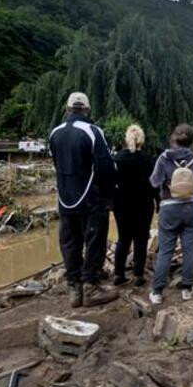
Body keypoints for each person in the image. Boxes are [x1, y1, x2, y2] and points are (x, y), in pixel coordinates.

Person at [49, 92, 119, 308]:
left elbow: (57, 165)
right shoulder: (92, 131)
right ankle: (91, 286)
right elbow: (106, 167)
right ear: (87, 110)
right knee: (94, 240)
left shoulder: (55, 133)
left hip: (66, 198)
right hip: (91, 199)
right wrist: (108, 195)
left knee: (69, 242)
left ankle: (74, 288)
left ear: (67, 109)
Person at [148, 124, 193, 304]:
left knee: (166, 250)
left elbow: (154, 182)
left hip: (169, 208)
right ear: (191, 141)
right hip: (192, 208)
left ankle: (158, 292)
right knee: (190, 249)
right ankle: (187, 289)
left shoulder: (163, 158)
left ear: (173, 139)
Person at [112, 124, 159, 287]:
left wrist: (111, 202)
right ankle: (138, 275)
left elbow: (111, 183)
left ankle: (118, 274)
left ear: (126, 139)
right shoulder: (148, 160)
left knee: (123, 239)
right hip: (143, 204)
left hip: (122, 205)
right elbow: (154, 185)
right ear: (142, 140)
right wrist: (158, 202)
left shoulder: (117, 159)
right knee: (141, 239)